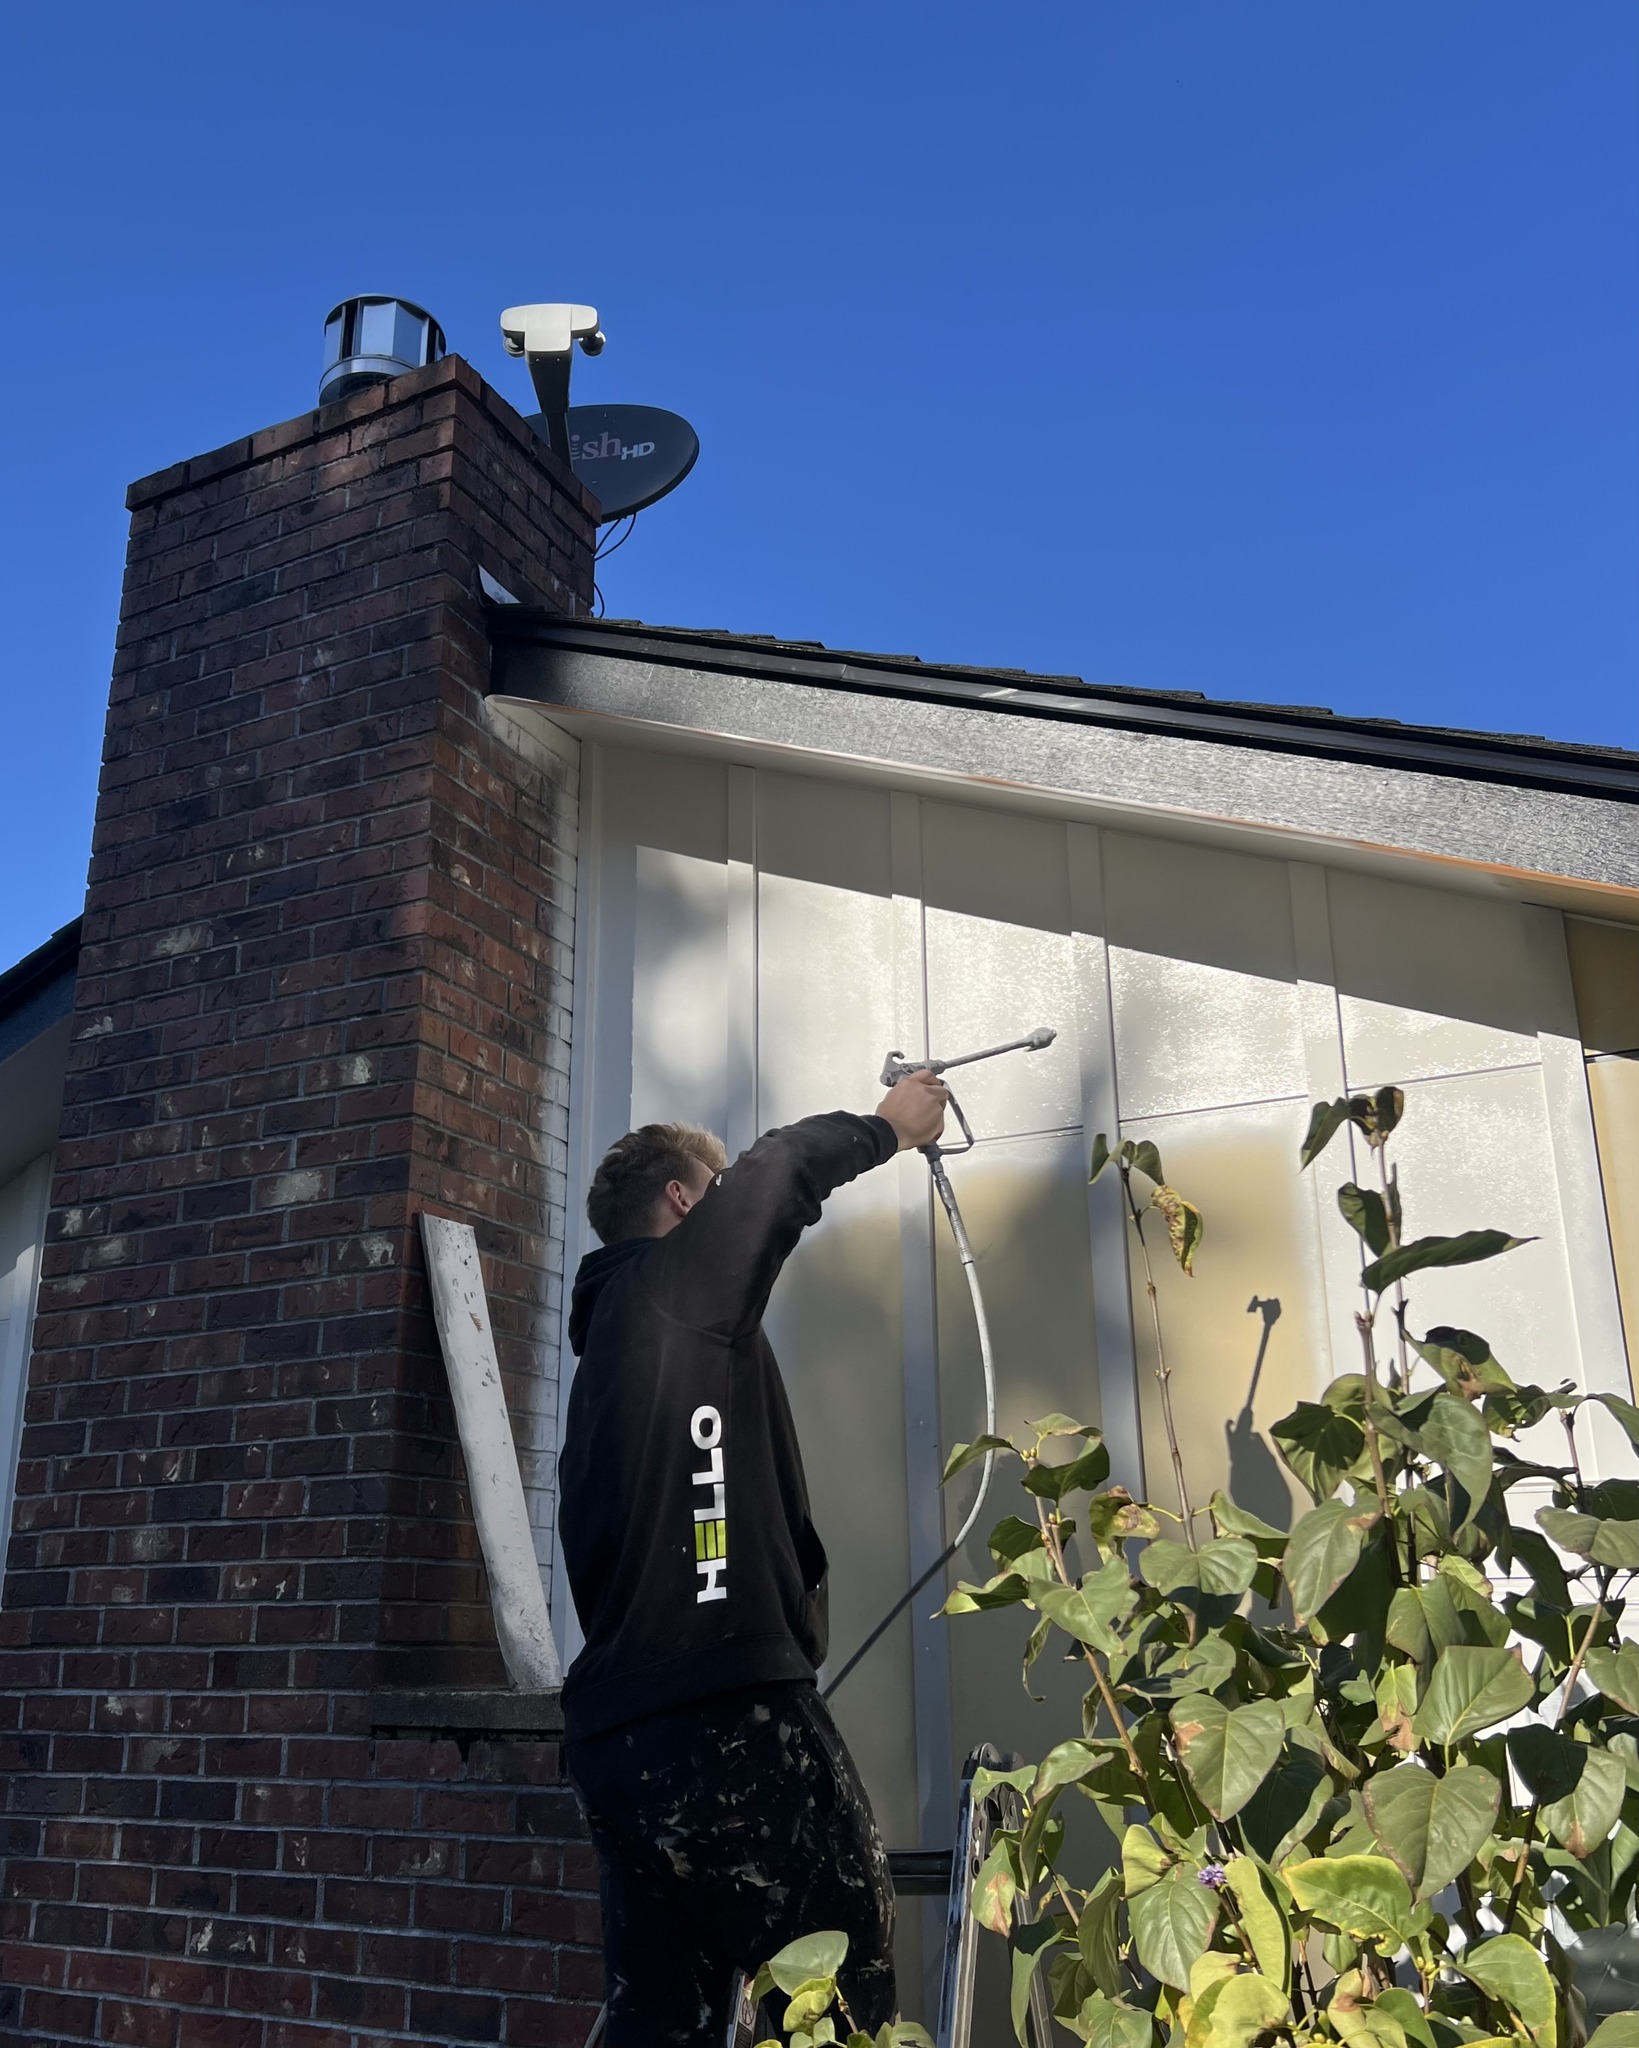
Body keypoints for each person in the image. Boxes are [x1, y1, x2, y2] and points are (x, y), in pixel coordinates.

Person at [557, 1071, 949, 2046]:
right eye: (711, 1184)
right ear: (685, 1200)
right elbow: (777, 1171)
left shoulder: (601, 1363)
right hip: (723, 1720)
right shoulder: (673, 1285)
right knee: (834, 1984)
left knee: (660, 2014)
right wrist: (889, 1126)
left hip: (622, 1746)